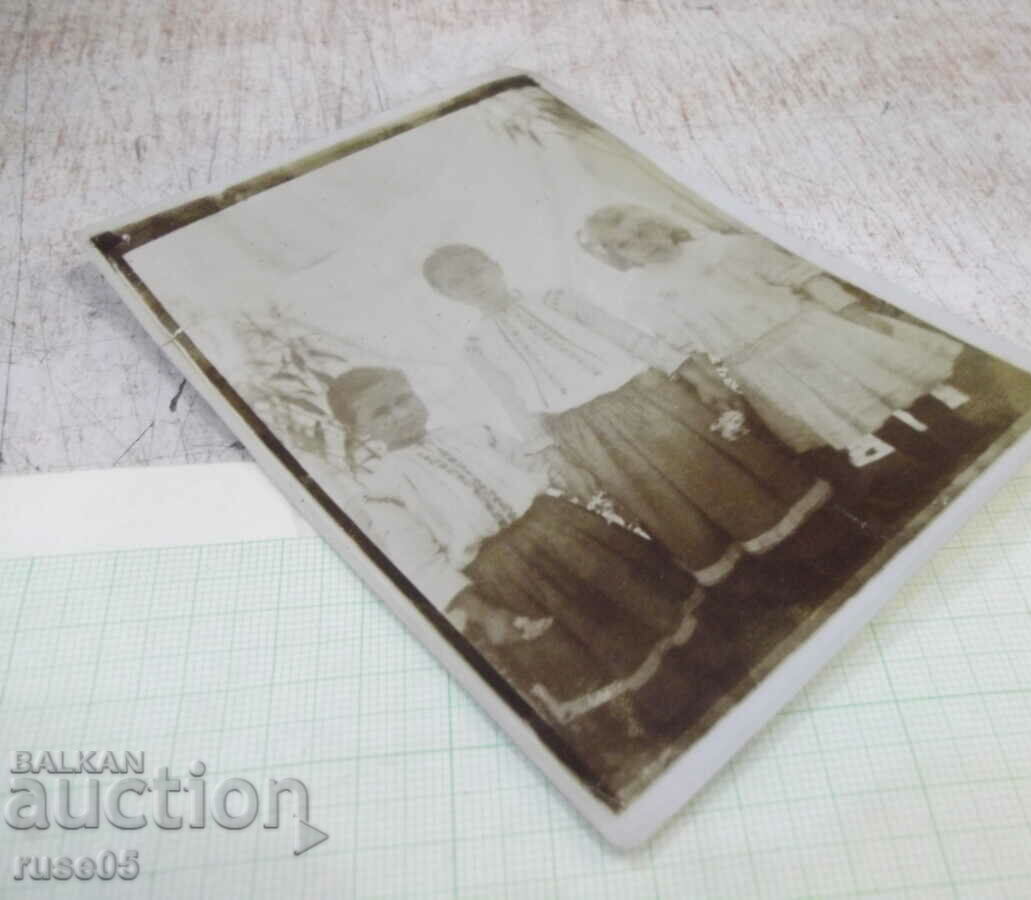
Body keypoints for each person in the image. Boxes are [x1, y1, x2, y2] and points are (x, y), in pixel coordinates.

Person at [421, 244, 850, 588]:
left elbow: (627, 336)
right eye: (457, 282)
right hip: (582, 430)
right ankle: (763, 582)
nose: (473, 283)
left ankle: (819, 548)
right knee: (664, 501)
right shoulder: (477, 346)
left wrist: (690, 373)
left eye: (476, 270)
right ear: (448, 297)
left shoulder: (555, 299)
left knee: (714, 470)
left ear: (495, 266)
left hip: (645, 399)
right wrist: (553, 455)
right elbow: (515, 404)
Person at [324, 365, 704, 732]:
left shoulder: (473, 433)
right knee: (589, 636)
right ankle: (664, 706)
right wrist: (484, 612)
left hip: (562, 529)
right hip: (508, 573)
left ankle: (706, 661)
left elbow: (532, 465)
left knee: (631, 598)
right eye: (381, 413)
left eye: (403, 399)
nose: (400, 414)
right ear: (358, 430)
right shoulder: (383, 489)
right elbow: (424, 564)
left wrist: (578, 489)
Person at [575, 205, 994, 510]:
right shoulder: (645, 296)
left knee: (890, 388)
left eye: (644, 231)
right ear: (615, 256)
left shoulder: (723, 250)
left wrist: (851, 312)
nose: (642, 245)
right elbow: (684, 346)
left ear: (661, 224)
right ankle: (934, 460)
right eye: (625, 244)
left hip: (807, 331)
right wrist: (712, 385)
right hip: (757, 362)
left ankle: (961, 436)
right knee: (855, 412)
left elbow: (801, 275)